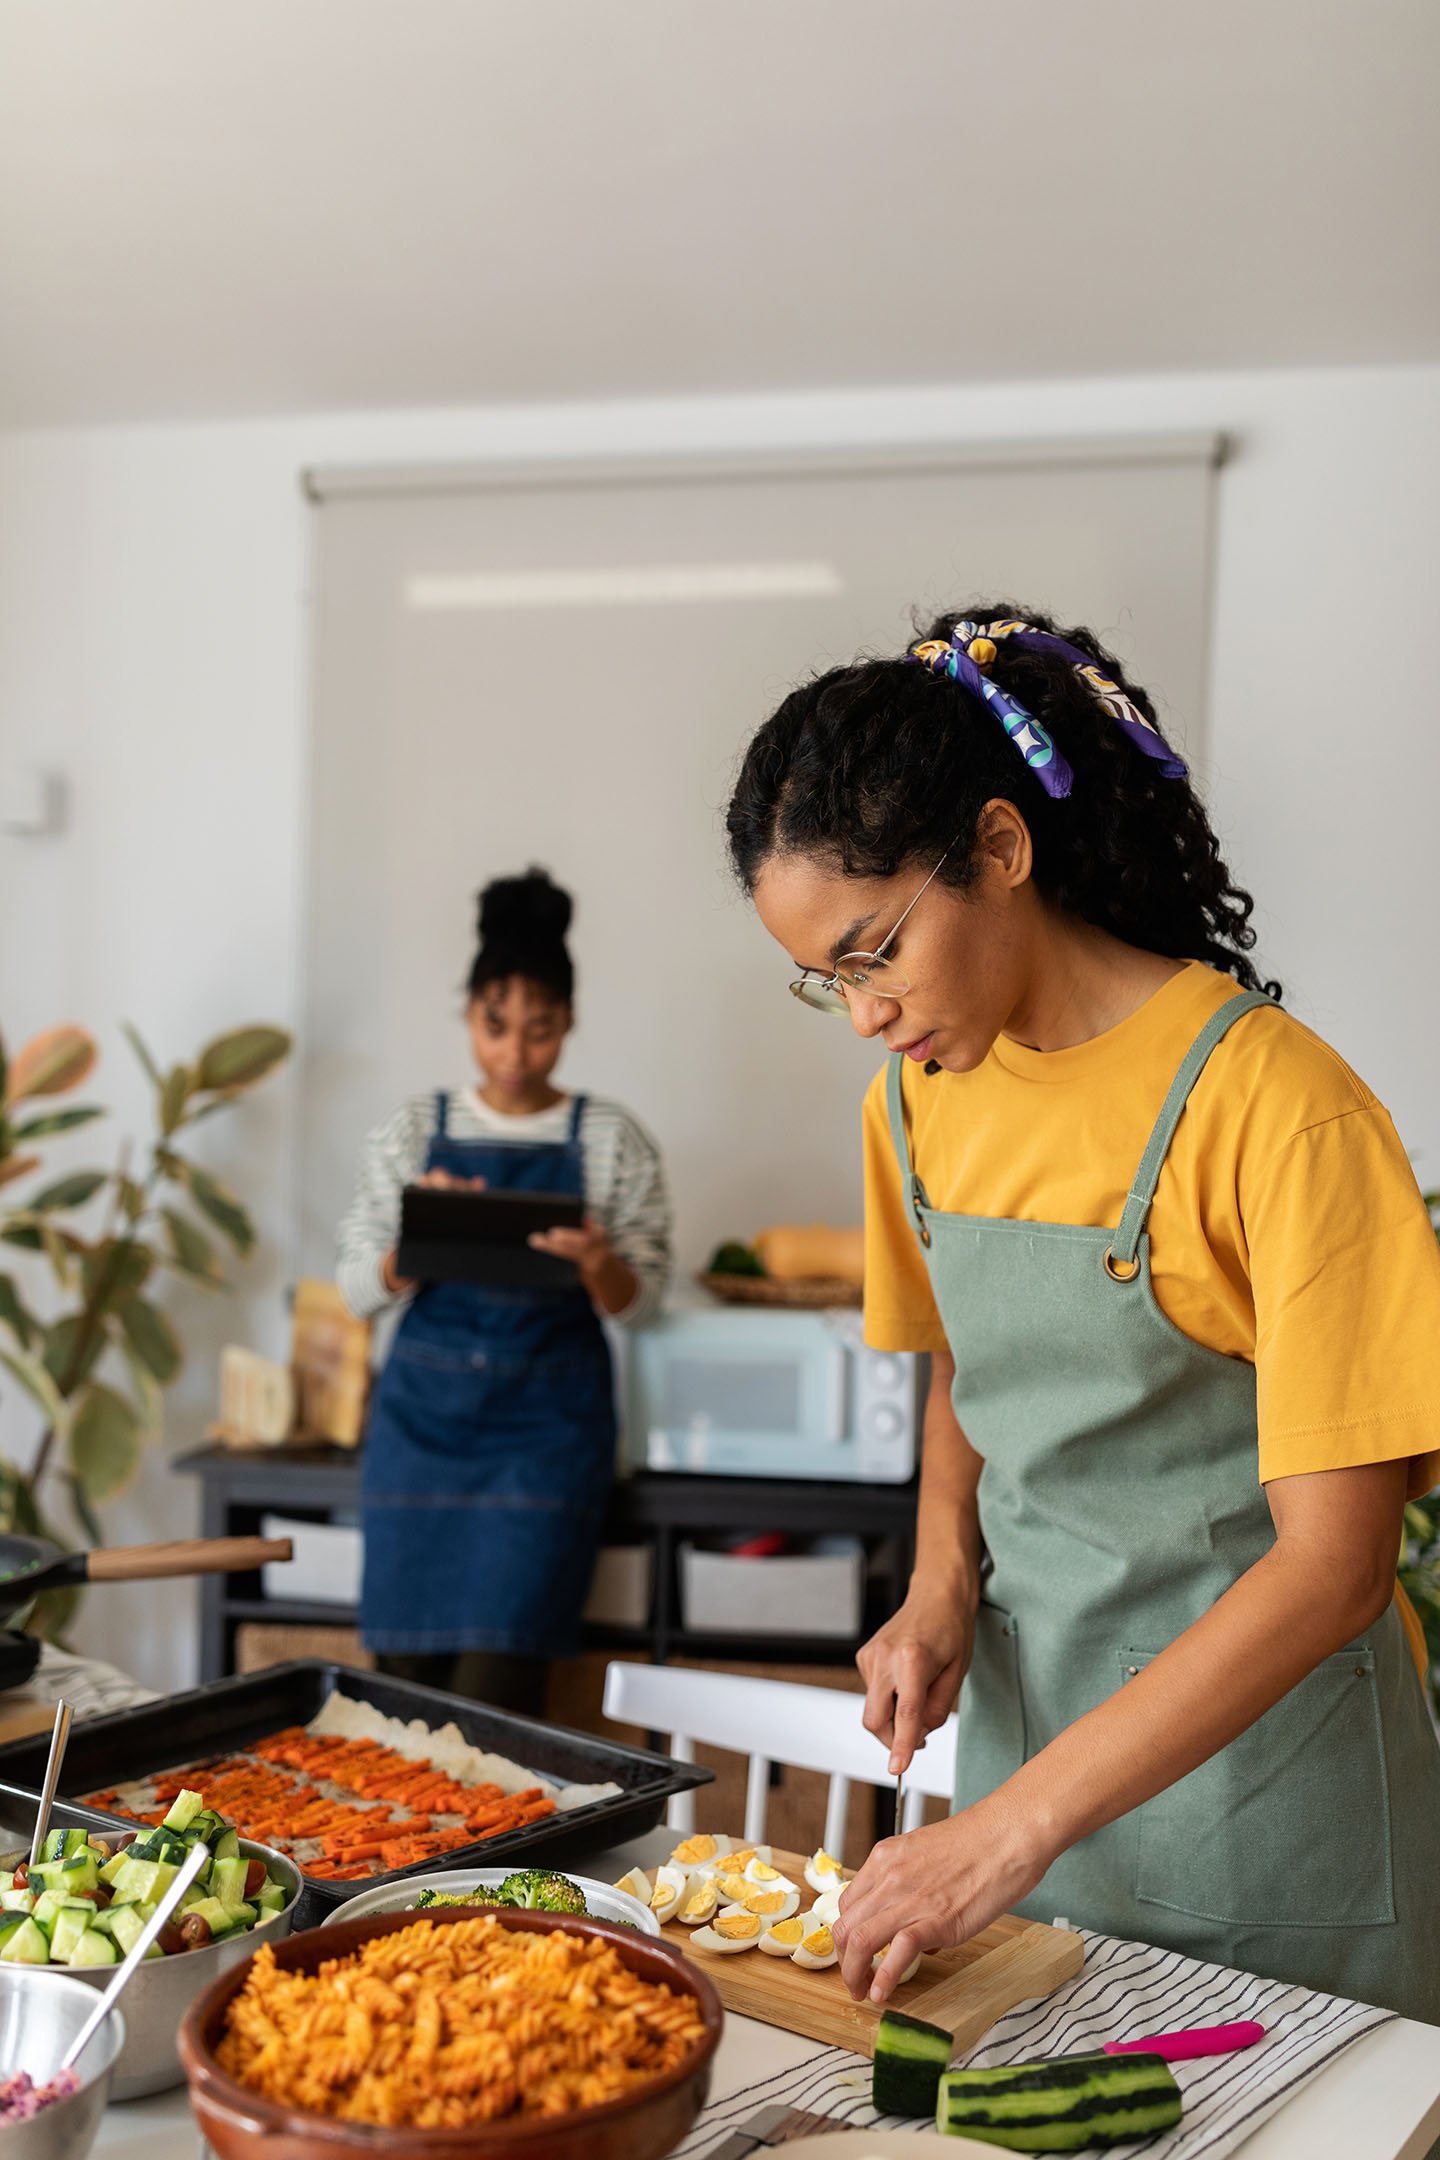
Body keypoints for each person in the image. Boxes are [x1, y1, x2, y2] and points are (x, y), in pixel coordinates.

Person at [726, 605, 1440, 2021]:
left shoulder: (1282, 1114)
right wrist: (938, 1581)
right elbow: (967, 1372)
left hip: (1267, 1801)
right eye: (829, 980)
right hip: (1025, 1763)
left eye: (875, 951)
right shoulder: (918, 1103)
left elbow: (1336, 1570)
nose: (865, 1014)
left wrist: (1007, 1829)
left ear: (1000, 850)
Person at [337, 867, 671, 1715]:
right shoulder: (415, 1131)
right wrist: (420, 1241)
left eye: (542, 1030)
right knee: (397, 1701)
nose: (516, 1054)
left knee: (498, 1697)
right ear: (469, 1016)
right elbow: (354, 1288)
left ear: (570, 1023)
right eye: (496, 1027)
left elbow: (648, 1301)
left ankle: (486, 1852)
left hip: (544, 1443)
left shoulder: (609, 1138)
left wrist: (599, 1262)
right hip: (422, 1432)